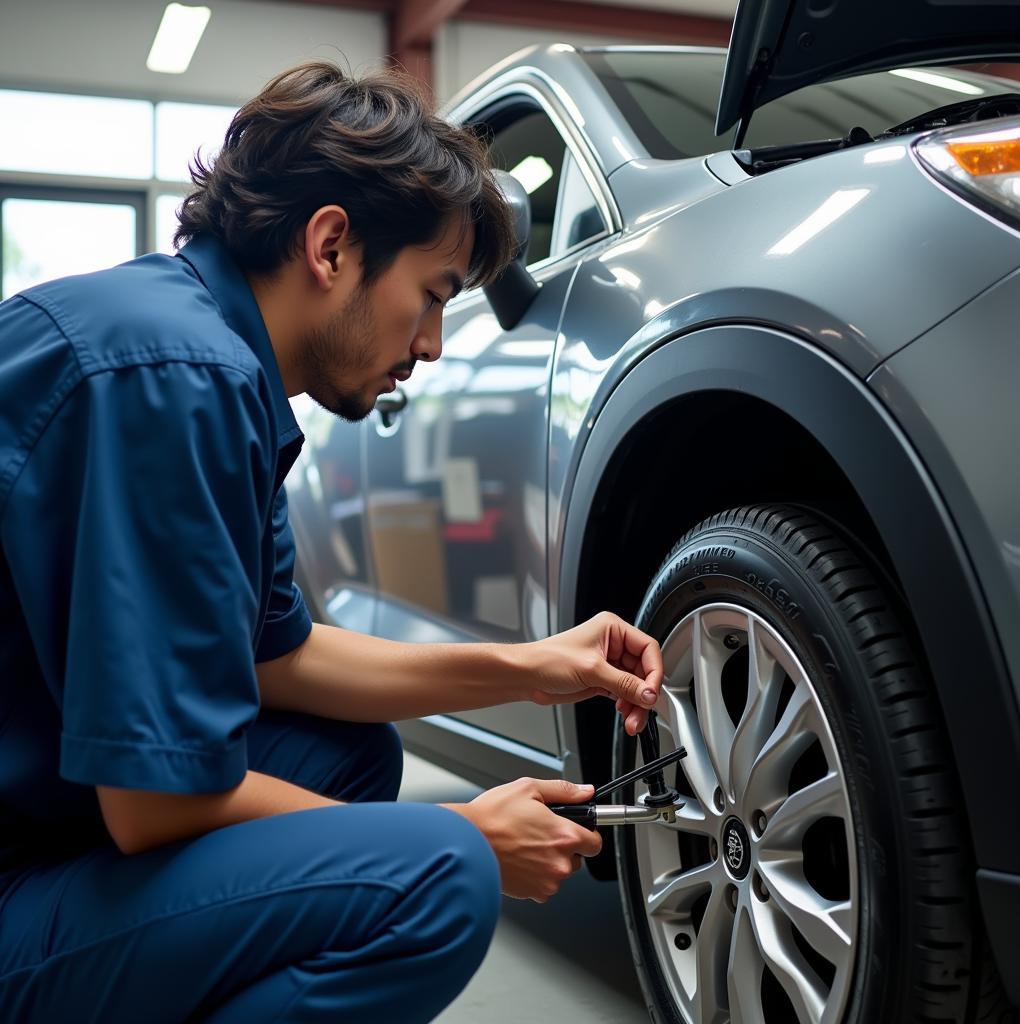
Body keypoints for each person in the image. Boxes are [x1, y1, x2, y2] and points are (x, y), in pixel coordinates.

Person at [0, 61, 664, 1022]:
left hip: (35, 811)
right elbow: (154, 807)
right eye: (432, 294)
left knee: (349, 754)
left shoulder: (216, 359)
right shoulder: (177, 378)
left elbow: (283, 657)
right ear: (331, 246)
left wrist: (532, 666)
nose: (433, 342)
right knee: (441, 881)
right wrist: (468, 834)